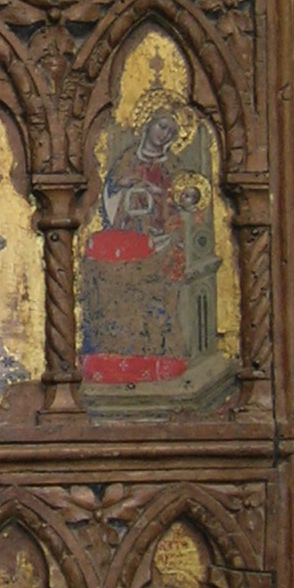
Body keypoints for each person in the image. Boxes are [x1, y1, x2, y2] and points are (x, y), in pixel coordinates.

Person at [79, 106, 190, 382]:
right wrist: (123, 185)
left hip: (160, 234)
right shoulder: (128, 158)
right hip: (126, 232)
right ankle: (113, 349)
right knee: (107, 274)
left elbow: (182, 200)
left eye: (171, 132)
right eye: (161, 127)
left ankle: (152, 352)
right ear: (148, 125)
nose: (164, 135)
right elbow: (110, 192)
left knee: (153, 279)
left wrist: (161, 194)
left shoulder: (172, 165)